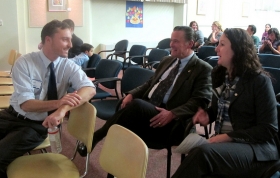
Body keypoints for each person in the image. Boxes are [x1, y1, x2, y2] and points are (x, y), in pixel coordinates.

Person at [77, 26, 213, 156]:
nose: (171, 44)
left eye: (176, 41)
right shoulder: (167, 60)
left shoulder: (202, 68)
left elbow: (201, 101)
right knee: (125, 122)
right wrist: (132, 94)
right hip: (148, 109)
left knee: (135, 107)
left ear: (190, 44)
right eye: (171, 40)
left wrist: (173, 113)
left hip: (171, 121)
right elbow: (150, 83)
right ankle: (117, 164)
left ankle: (97, 137)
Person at [172, 28, 279, 178]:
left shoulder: (260, 81)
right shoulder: (221, 76)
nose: (216, 48)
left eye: (222, 44)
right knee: (200, 159)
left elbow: (268, 129)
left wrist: (229, 137)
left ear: (237, 49)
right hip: (229, 147)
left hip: (256, 151)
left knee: (202, 154)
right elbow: (218, 110)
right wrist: (208, 115)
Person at [0, 20, 96, 177]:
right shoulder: (24, 63)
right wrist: (59, 102)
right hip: (11, 115)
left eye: (70, 39)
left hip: (36, 126)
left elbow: (90, 89)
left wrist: (61, 110)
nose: (71, 45)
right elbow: (26, 105)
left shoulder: (68, 65)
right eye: (65, 39)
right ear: (48, 40)